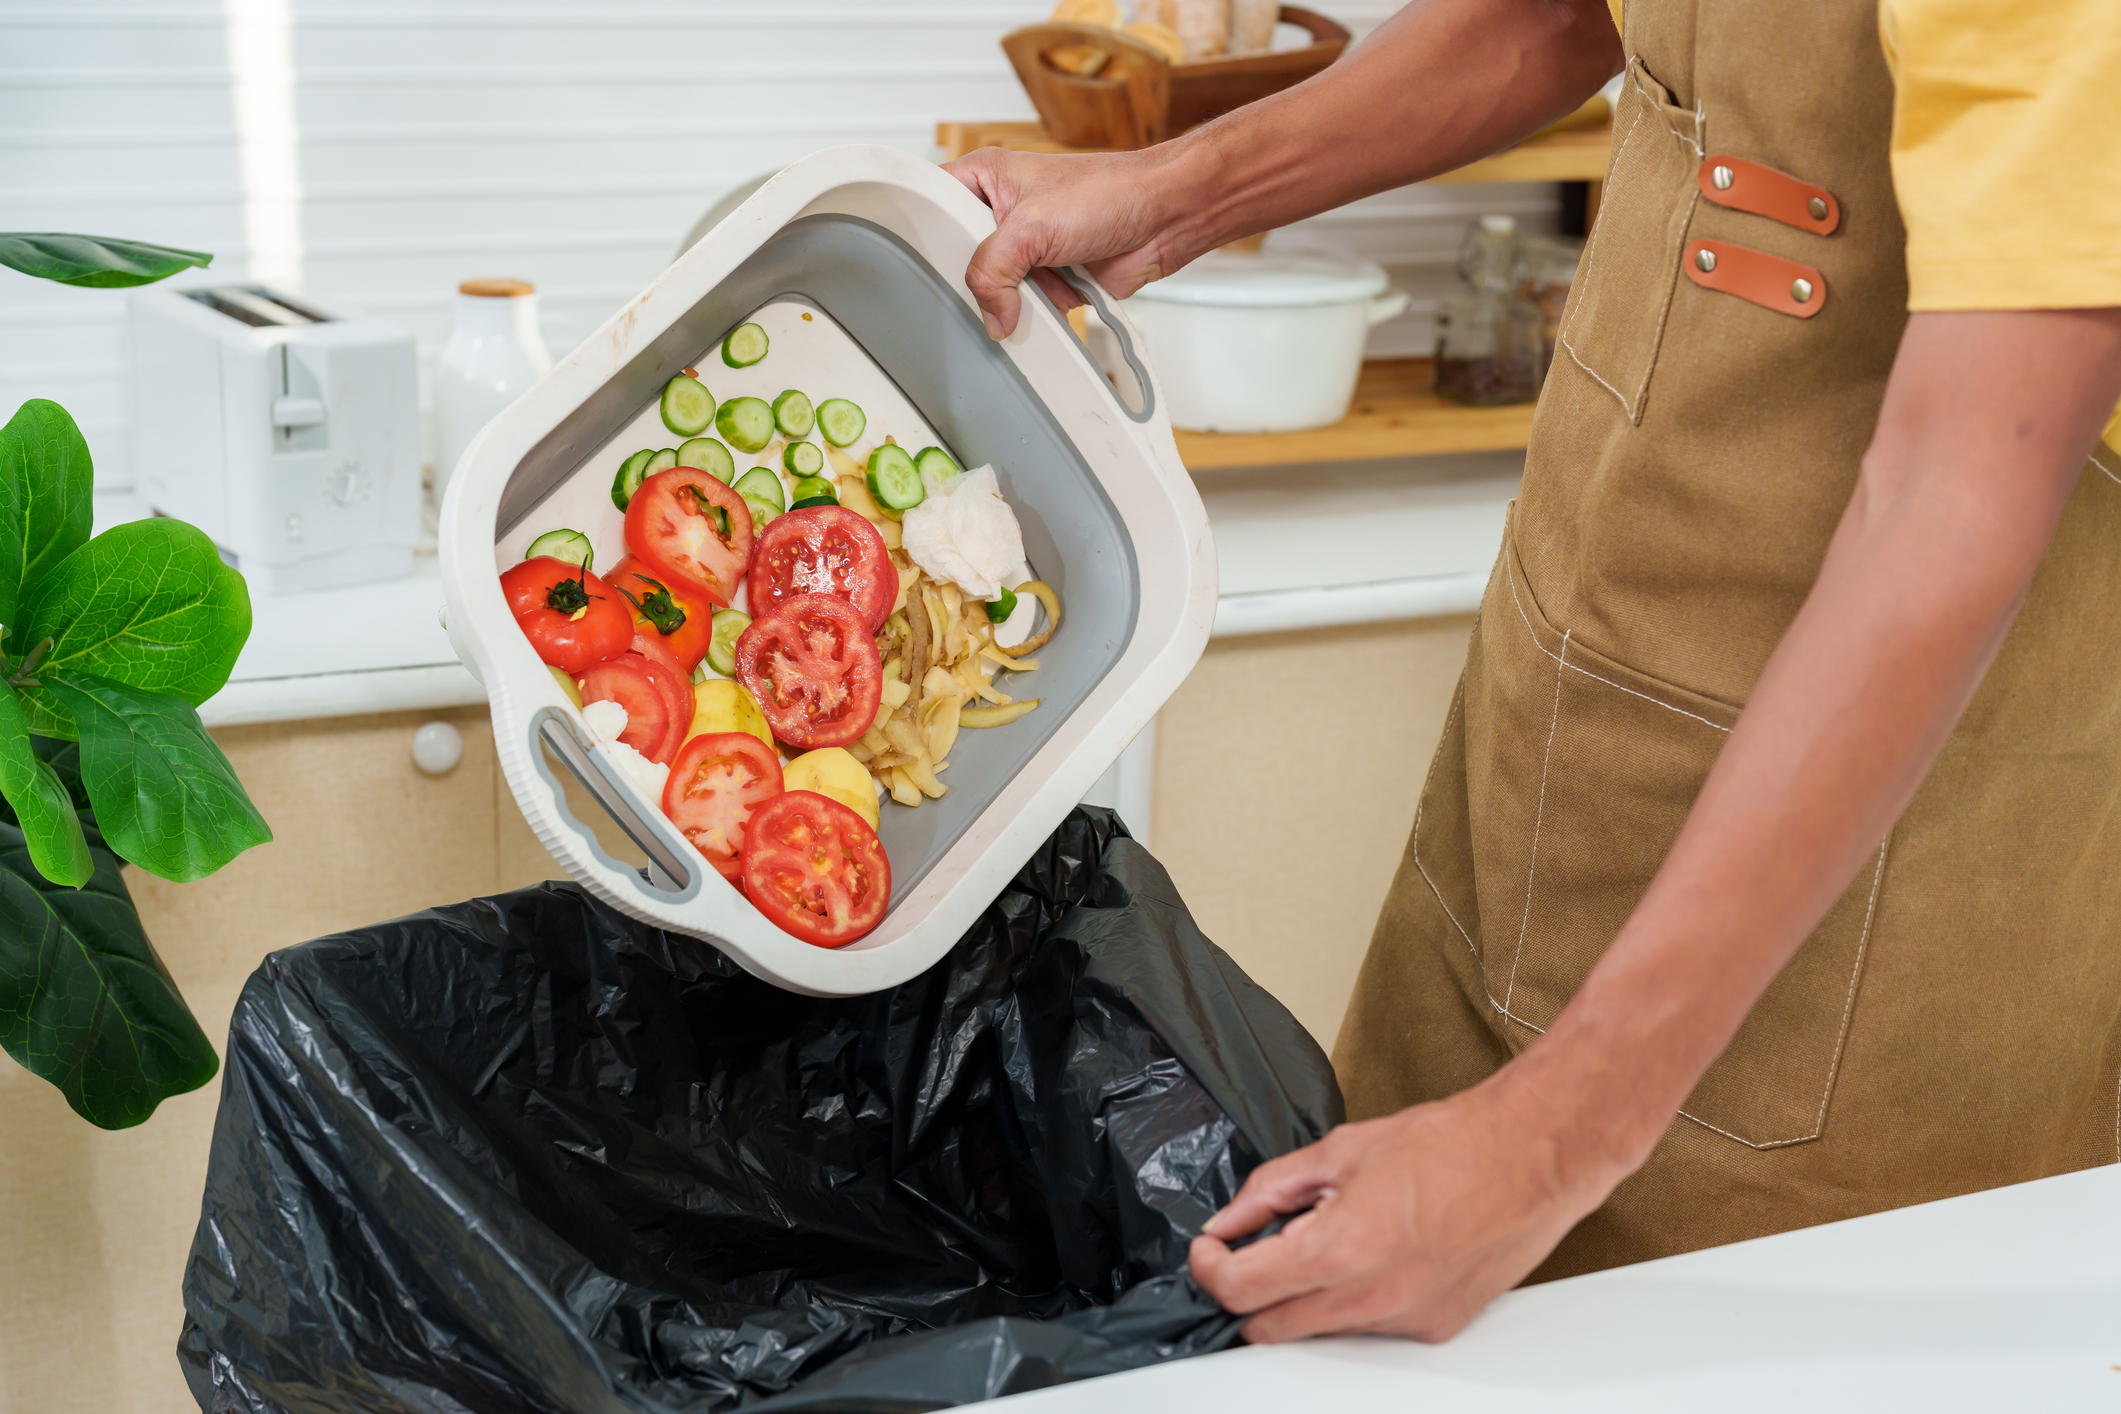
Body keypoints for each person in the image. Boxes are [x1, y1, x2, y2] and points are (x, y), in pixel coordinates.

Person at [946, 0, 2121, 1344]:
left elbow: (1953, 494)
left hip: (1869, 905)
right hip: (1565, 694)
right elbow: (1555, 14)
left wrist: (1553, 1135)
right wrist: (1162, 197)